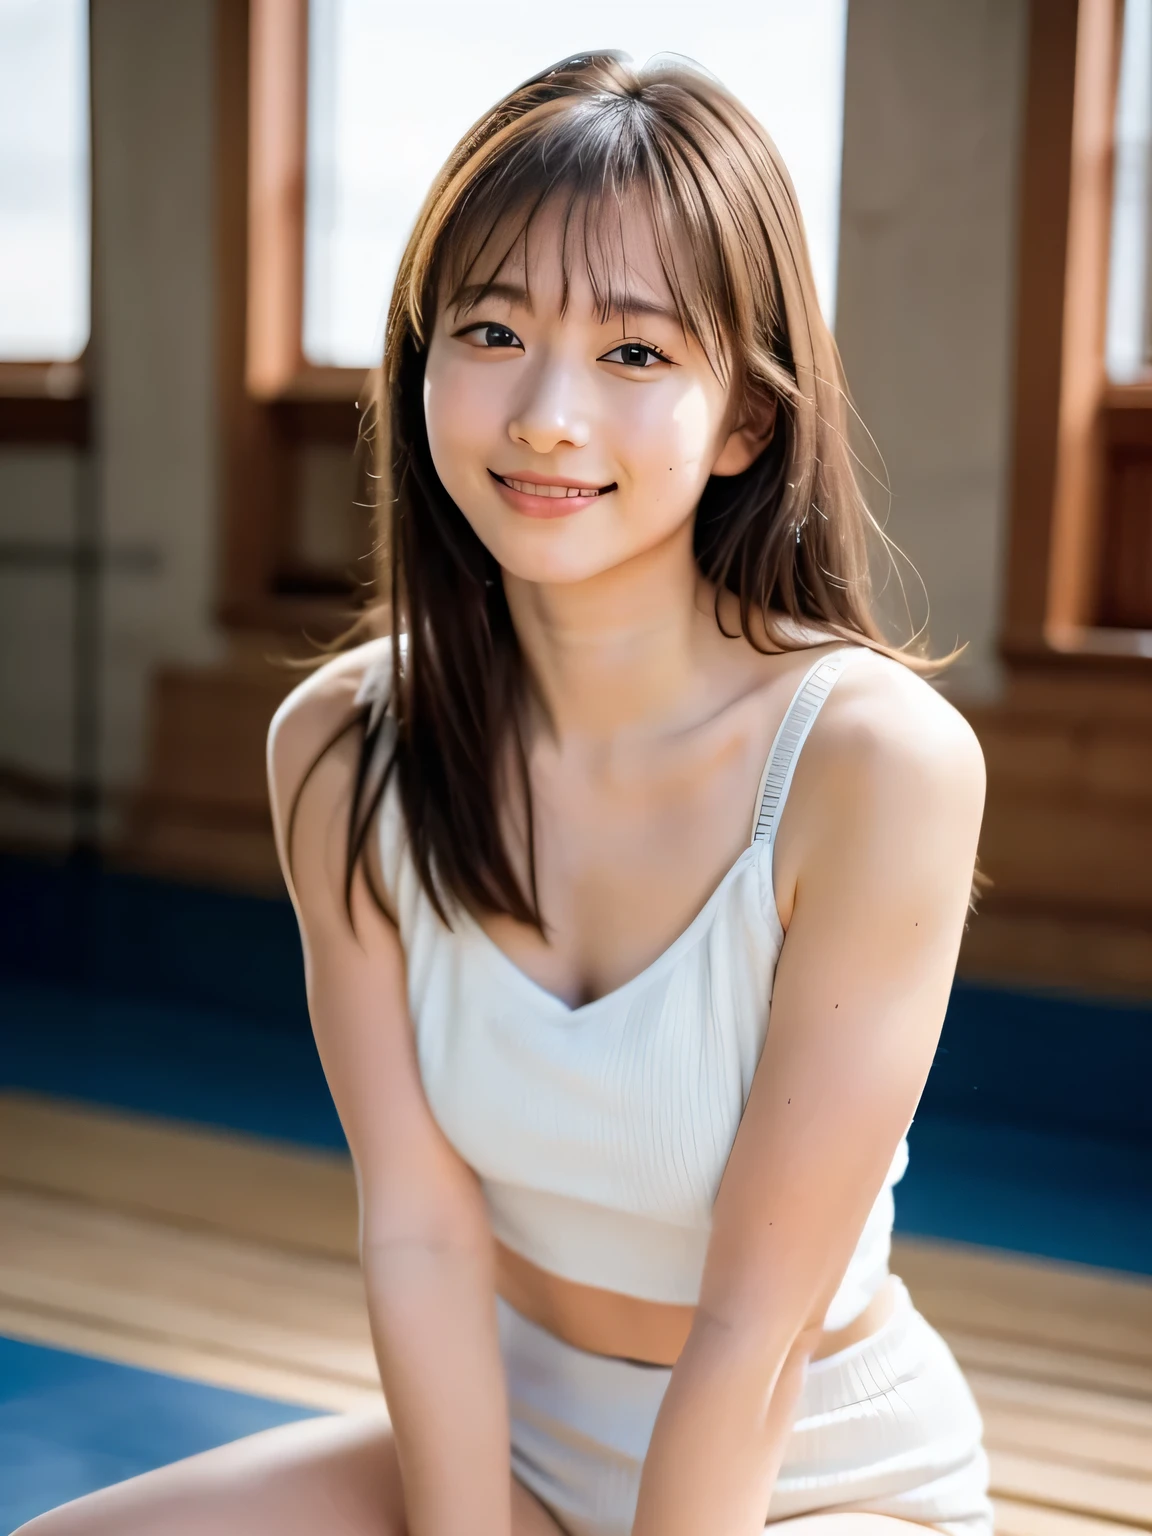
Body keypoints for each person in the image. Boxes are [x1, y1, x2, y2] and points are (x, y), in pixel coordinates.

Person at [23, 52, 992, 1536]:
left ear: (745, 424)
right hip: (512, 1444)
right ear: (421, 365)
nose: (545, 412)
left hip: (809, 1474)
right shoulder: (341, 747)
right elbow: (416, 1235)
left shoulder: (875, 765)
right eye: (491, 329)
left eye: (635, 354)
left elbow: (758, 1325)